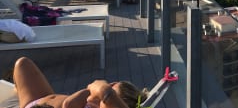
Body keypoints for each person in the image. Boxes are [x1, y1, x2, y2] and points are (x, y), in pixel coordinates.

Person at [13, 57, 147, 108]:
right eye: (112, 84)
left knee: (22, 64)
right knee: (23, 63)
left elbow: (68, 104)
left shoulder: (91, 103)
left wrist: (93, 90)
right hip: (40, 98)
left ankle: (18, 95)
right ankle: (18, 91)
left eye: (111, 87)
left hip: (33, 105)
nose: (109, 85)